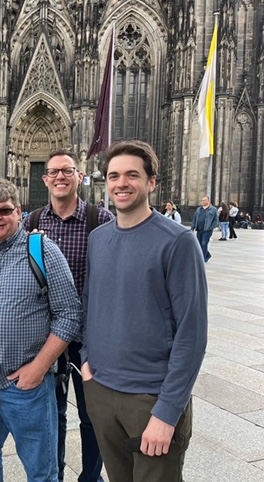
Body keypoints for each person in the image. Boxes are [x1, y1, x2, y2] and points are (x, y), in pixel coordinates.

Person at [81, 140, 207, 482]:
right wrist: (87, 361)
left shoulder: (178, 241)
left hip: (150, 399)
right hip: (102, 391)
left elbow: (191, 334)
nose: (121, 183)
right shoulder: (98, 238)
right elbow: (90, 302)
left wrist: (167, 413)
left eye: (132, 175)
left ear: (152, 182)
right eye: (113, 175)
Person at [0, 179, 82, 482]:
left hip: (26, 387)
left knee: (41, 472)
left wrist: (39, 368)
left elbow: (69, 314)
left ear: (19, 212)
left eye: (4, 210)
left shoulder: (43, 251)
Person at [22, 149, 114, 482]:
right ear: (45, 179)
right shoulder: (31, 223)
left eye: (67, 171)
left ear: (79, 176)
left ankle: (90, 477)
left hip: (89, 339)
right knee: (52, 415)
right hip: (47, 339)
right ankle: (54, 475)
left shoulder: (100, 220)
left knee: (93, 416)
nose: (60, 177)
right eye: (54, 172)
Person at [191, 196, 219, 262]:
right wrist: (193, 227)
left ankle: (202, 258)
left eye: (204, 200)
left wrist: (211, 227)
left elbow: (216, 220)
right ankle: (207, 255)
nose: (203, 201)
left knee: (204, 243)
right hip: (199, 229)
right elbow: (195, 218)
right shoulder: (199, 209)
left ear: (208, 201)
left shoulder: (213, 209)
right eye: (202, 200)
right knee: (199, 243)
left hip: (207, 230)